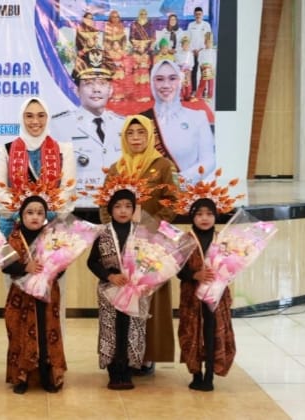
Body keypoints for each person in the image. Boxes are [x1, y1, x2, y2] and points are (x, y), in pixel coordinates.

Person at [100, 114, 178, 375]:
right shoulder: (116, 169)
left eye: (141, 132)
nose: (135, 138)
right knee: (123, 299)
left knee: (149, 301)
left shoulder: (163, 165)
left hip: (151, 247)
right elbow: (104, 205)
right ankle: (123, 353)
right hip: (121, 247)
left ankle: (147, 356)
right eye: (130, 133)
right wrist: (112, 236)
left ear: (150, 136)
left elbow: (174, 202)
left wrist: (148, 229)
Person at [88, 186, 152, 390]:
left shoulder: (142, 233)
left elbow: (152, 261)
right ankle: (114, 371)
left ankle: (128, 370)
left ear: (134, 209)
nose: (123, 210)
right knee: (111, 329)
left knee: (131, 329)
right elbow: (92, 262)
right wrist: (110, 276)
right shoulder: (103, 233)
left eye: (127, 206)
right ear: (110, 209)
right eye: (117, 206)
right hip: (110, 289)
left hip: (134, 291)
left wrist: (144, 280)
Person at [3, 195, 67, 394]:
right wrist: (26, 267)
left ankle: (48, 376)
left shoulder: (52, 237)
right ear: (21, 216)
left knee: (46, 332)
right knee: (20, 332)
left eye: (40, 213)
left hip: (47, 294)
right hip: (21, 295)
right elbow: (5, 265)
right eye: (30, 212)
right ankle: (21, 377)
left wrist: (50, 271)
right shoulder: (14, 237)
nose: (35, 217)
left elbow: (62, 266)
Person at [0, 97, 76, 237]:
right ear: (21, 118)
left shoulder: (64, 150)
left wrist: (45, 215)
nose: (35, 121)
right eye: (29, 116)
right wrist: (22, 215)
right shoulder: (5, 150)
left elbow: (68, 189)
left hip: (53, 223)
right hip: (13, 224)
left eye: (41, 115)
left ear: (48, 118)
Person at [176, 197, 236, 392]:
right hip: (192, 296)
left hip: (216, 297)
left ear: (216, 216)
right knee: (192, 332)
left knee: (212, 333)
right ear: (192, 217)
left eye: (209, 214)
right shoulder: (185, 241)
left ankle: (209, 374)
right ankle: (196, 374)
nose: (204, 218)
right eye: (199, 214)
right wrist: (195, 275)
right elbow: (177, 269)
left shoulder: (223, 241)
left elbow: (233, 265)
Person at [50, 54, 125, 195]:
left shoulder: (123, 125)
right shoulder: (59, 126)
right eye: (88, 83)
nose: (96, 89)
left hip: (117, 204)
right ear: (77, 90)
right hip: (78, 204)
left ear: (110, 90)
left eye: (102, 83)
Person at [141, 59, 215, 183]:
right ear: (152, 83)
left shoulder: (198, 118)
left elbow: (209, 160)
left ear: (180, 81)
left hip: (188, 190)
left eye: (172, 78)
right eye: (159, 79)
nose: (166, 85)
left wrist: (179, 181)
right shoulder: (141, 120)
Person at [186, 6, 212, 94]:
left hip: (203, 52)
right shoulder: (190, 25)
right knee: (193, 71)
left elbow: (208, 39)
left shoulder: (206, 25)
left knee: (203, 72)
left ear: (202, 15)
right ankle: (193, 90)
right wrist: (193, 50)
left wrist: (201, 49)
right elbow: (188, 39)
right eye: (196, 14)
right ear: (194, 15)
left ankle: (203, 91)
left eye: (199, 14)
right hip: (193, 52)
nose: (198, 16)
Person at [196, 32, 216, 102]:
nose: (209, 44)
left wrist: (211, 66)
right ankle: (198, 95)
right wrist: (202, 65)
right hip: (204, 68)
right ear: (205, 43)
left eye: (210, 43)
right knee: (202, 82)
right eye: (207, 43)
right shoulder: (202, 52)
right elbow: (199, 60)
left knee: (211, 83)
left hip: (210, 69)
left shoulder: (213, 52)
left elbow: (214, 60)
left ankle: (209, 96)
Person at [175, 36, 194, 101]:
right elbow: (176, 62)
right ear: (182, 45)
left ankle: (187, 95)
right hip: (180, 71)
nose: (186, 46)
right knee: (181, 83)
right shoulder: (178, 54)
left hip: (187, 71)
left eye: (187, 45)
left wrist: (188, 67)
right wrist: (180, 66)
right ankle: (181, 95)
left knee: (188, 83)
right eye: (184, 45)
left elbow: (192, 63)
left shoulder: (190, 54)